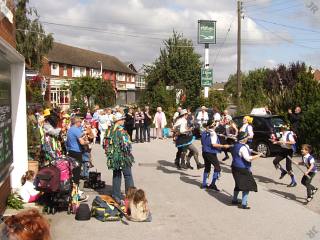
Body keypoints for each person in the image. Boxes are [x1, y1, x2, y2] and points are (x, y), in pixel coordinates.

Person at [105, 114, 135, 203]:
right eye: (122, 119)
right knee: (128, 175)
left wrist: (111, 154)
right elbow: (127, 145)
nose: (124, 121)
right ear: (118, 120)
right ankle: (130, 196)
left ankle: (115, 195)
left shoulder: (109, 130)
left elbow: (105, 144)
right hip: (123, 157)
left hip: (113, 158)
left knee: (116, 175)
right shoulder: (121, 131)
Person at [231, 132, 262, 209]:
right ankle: (244, 204)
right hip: (242, 168)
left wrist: (251, 151)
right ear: (243, 139)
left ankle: (234, 200)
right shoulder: (243, 148)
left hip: (234, 167)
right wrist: (258, 155)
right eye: (247, 137)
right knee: (247, 185)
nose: (248, 138)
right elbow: (248, 158)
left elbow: (247, 149)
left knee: (238, 184)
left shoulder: (237, 145)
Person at [201, 120, 230, 191]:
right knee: (218, 168)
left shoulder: (204, 132)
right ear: (213, 126)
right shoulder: (213, 133)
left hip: (204, 151)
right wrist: (223, 146)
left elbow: (203, 142)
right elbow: (214, 144)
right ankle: (212, 184)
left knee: (207, 167)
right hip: (210, 152)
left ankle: (204, 184)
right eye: (215, 125)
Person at [66, 117, 89, 201]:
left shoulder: (70, 129)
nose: (81, 123)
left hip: (71, 151)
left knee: (73, 171)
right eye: (80, 122)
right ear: (77, 122)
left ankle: (73, 188)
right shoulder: (76, 130)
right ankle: (76, 191)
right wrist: (87, 142)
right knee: (77, 172)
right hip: (76, 152)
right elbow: (82, 142)